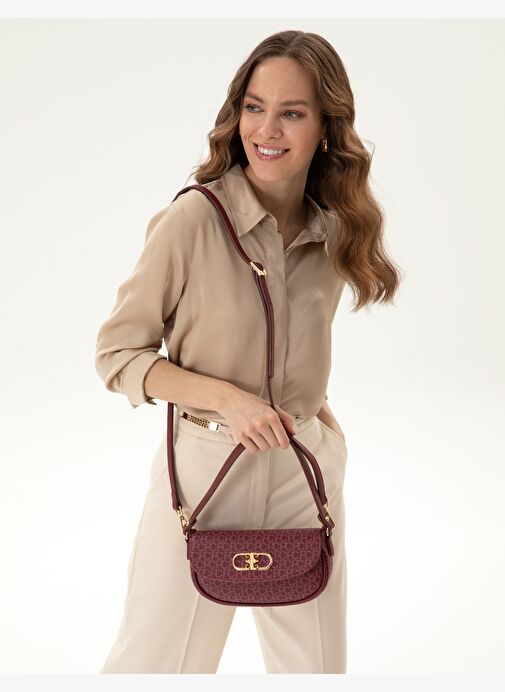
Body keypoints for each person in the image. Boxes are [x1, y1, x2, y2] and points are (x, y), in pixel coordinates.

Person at [95, 29, 401, 674]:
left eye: (292, 113)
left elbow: (293, 353)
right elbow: (118, 354)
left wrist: (325, 437)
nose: (267, 129)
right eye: (255, 107)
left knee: (316, 673)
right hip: (202, 478)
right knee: (154, 669)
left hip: (302, 476)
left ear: (326, 129)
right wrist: (229, 401)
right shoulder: (192, 221)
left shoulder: (334, 232)